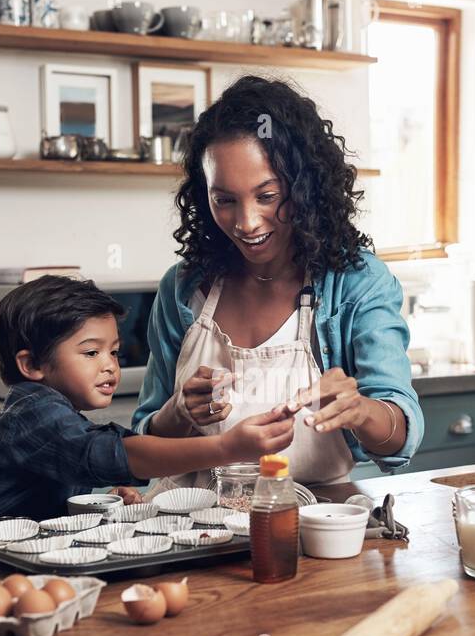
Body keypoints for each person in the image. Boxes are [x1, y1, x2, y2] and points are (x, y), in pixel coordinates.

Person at [132, 75, 422, 488]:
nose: (246, 223)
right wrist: (178, 412)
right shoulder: (183, 290)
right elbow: (145, 447)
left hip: (308, 529)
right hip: (187, 532)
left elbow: (401, 436)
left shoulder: (356, 283)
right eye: (224, 200)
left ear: (305, 188)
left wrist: (360, 411)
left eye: (266, 196)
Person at [0, 276, 294, 535]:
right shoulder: (30, 414)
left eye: (114, 352)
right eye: (91, 352)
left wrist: (100, 502)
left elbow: (90, 462)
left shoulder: (57, 414)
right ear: (31, 365)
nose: (109, 365)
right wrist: (227, 448)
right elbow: (111, 453)